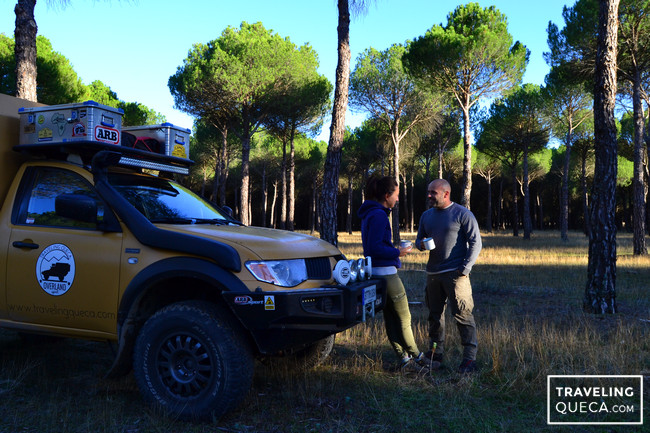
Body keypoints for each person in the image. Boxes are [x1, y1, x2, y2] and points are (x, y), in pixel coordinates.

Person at [358, 174, 429, 373]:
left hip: (375, 274)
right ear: (387, 195)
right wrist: (398, 252)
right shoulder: (379, 215)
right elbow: (374, 248)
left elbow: (374, 246)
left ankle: (404, 359)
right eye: (396, 195)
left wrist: (393, 249)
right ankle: (418, 357)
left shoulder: (369, 213)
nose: (397, 199)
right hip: (387, 275)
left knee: (390, 318)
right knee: (404, 318)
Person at [415, 179, 482, 373]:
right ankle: (436, 353)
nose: (429, 195)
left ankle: (470, 359)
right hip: (433, 273)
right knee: (435, 316)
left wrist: (465, 268)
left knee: (462, 316)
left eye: (433, 192)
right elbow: (419, 239)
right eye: (428, 191)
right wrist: (420, 244)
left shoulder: (463, 214)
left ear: (446, 194)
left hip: (456, 275)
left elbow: (475, 243)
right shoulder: (426, 216)